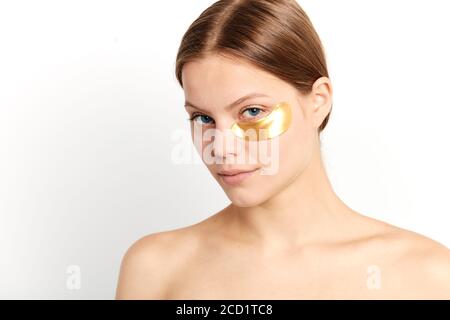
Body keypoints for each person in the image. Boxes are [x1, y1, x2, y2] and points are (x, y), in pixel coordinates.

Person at [116, 0, 450, 299]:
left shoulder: (427, 276)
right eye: (203, 117)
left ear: (319, 100)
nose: (222, 148)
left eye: (251, 112)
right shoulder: (155, 269)